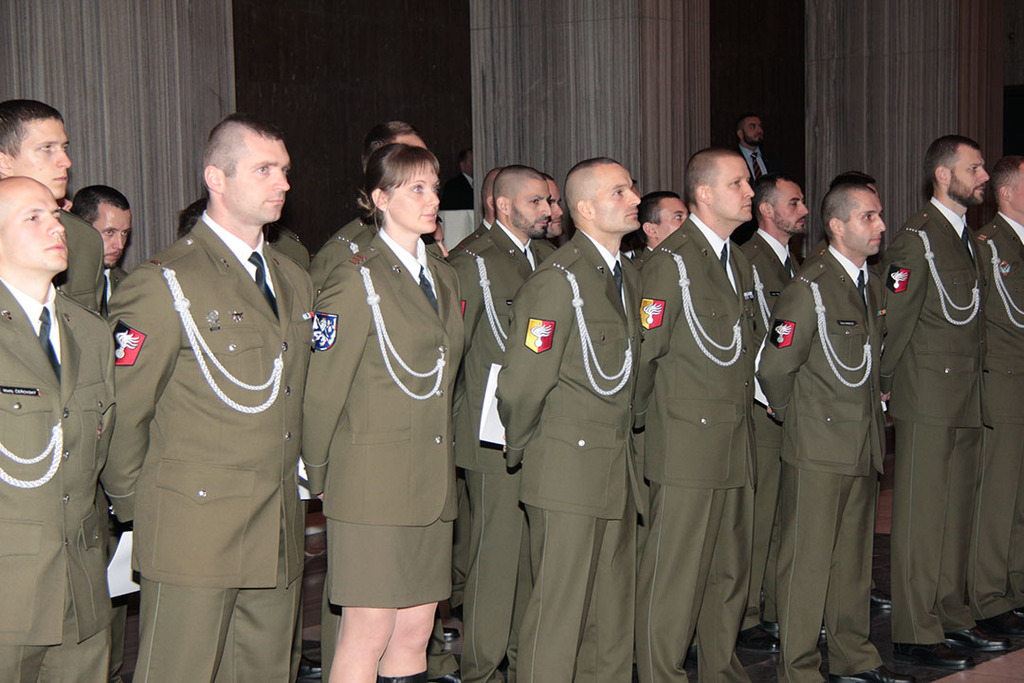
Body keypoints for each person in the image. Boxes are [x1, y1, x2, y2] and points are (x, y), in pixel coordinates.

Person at [108, 114, 313, 681]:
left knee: (269, 670)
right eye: (265, 169)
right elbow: (125, 413)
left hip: (275, 521)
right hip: (192, 525)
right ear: (215, 180)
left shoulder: (293, 279)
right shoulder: (163, 282)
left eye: (286, 171)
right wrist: (139, 510)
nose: (283, 184)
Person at [303, 143, 464, 683]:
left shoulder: (441, 276)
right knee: (366, 633)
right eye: (416, 188)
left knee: (416, 631)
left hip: (431, 482)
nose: (433, 198)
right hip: (372, 484)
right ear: (379, 198)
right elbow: (323, 387)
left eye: (435, 186)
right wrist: (318, 473)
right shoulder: (356, 278)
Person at [759, 183, 914, 683]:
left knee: (852, 561)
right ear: (839, 226)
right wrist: (796, 417)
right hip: (818, 447)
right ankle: (799, 668)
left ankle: (854, 657)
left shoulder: (867, 284)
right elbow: (774, 367)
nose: (881, 226)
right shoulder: (810, 287)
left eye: (880, 215)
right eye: (869, 217)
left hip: (862, 440)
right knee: (806, 563)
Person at [497, 157, 642, 682]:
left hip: (615, 463)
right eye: (620, 192)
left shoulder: (625, 275)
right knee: (559, 614)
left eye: (632, 189)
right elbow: (521, 385)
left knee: (610, 613)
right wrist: (525, 449)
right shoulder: (557, 281)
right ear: (584, 209)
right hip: (566, 466)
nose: (634, 199)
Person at [633, 148, 757, 683]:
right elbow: (644, 356)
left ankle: (719, 670)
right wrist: (643, 437)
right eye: (738, 184)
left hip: (733, 437)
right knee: (675, 573)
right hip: (684, 441)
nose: (750, 193)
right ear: (704, 194)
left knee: (728, 571)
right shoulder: (670, 264)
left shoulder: (738, 260)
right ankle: (661, 672)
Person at [883, 134, 1006, 670]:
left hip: (966, 395)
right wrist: (884, 383)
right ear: (943, 175)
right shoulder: (916, 239)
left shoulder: (967, 239)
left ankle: (953, 615)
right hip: (928, 395)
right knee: (921, 516)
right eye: (974, 168)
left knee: (958, 514)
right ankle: (915, 627)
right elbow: (896, 318)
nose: (982, 177)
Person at [0, 176, 123, 681]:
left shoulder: (91, 331)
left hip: (82, 584)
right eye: (33, 217)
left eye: (55, 214)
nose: (56, 226)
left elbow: (99, 454)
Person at [448, 165, 552, 683]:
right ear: (503, 206)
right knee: (498, 553)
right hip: (490, 430)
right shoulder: (473, 262)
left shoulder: (552, 260)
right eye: (536, 202)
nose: (549, 211)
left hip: (543, 427)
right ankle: (482, 666)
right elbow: (452, 353)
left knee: (533, 554)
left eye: (550, 201)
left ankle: (519, 656)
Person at [736, 173, 807, 652]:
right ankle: (748, 614)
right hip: (762, 405)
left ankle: (778, 605)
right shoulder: (751, 261)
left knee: (785, 513)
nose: (803, 209)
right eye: (794, 201)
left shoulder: (792, 262)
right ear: (767, 210)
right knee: (759, 516)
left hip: (792, 402)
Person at [968, 155, 1024, 637]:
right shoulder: (986, 246)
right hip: (1004, 382)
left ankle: (1017, 584)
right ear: (1007, 193)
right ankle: (988, 594)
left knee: (1021, 494)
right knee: (998, 494)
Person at [0, 99, 104, 311]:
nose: (66, 161)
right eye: (47, 148)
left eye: (64, 148)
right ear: (4, 162)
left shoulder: (85, 239)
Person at [70, 185, 131, 315]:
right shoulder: (57, 286)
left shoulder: (131, 287)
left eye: (124, 233)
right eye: (109, 232)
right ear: (81, 228)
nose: (120, 245)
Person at [632, 190, 687, 268]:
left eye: (688, 217)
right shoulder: (647, 271)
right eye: (678, 217)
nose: (689, 223)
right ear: (651, 230)